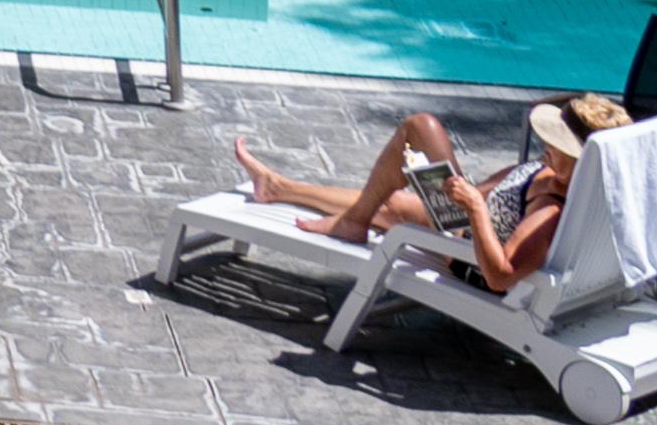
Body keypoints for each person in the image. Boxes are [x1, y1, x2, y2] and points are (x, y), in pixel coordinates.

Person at [226, 105, 578, 288]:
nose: (547, 145)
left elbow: (500, 276)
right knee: (395, 195)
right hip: (464, 224)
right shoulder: (552, 174)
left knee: (415, 133)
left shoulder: (549, 212)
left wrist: (473, 208)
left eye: (558, 144)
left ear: (580, 158)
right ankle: (279, 188)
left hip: (469, 256)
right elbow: (489, 192)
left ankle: (349, 220)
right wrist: (457, 192)